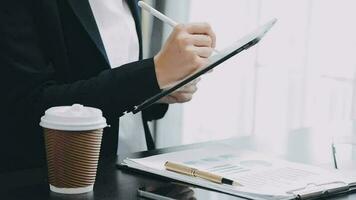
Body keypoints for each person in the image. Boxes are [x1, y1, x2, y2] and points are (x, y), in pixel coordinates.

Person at [0, 0, 216, 172]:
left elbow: (116, 87)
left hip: (139, 170)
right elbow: (28, 106)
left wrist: (161, 88)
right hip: (66, 178)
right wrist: (151, 74)